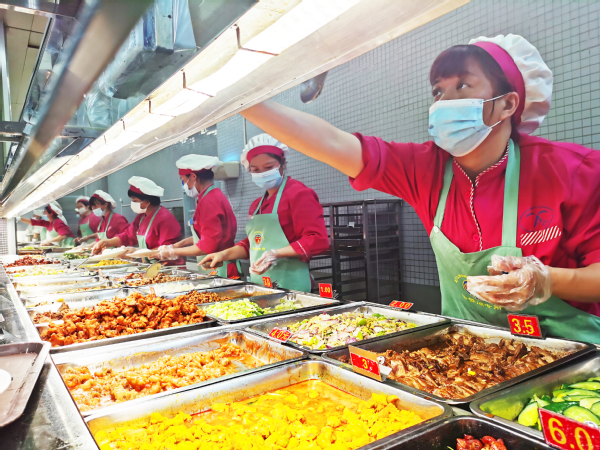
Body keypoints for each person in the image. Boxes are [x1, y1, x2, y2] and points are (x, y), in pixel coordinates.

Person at [233, 34, 600, 342]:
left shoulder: (572, 170)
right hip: (471, 352)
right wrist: (239, 99)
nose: (443, 102)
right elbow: (332, 143)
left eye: (462, 86)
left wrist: (545, 280)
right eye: (438, 91)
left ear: (507, 103)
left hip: (572, 354)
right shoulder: (426, 168)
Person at [200, 134, 330, 292]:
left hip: (291, 285)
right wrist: (223, 255)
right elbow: (253, 245)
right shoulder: (257, 205)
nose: (262, 173)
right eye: (255, 170)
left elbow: (318, 239)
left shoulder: (299, 194)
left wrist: (276, 254)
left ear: (283, 164)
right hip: (260, 284)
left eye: (268, 167)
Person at [156, 155, 241, 278]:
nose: (184, 185)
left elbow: (207, 245)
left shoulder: (209, 201)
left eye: (183, 180)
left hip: (220, 269)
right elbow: (206, 235)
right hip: (212, 266)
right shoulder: (210, 196)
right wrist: (177, 245)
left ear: (193, 177)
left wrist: (172, 252)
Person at [93, 177, 184, 266]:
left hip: (168, 266)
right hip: (150, 265)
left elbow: (167, 249)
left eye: (135, 201)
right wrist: (107, 242)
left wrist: (137, 253)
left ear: (147, 202)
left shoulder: (165, 219)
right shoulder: (141, 217)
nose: (132, 203)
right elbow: (127, 236)